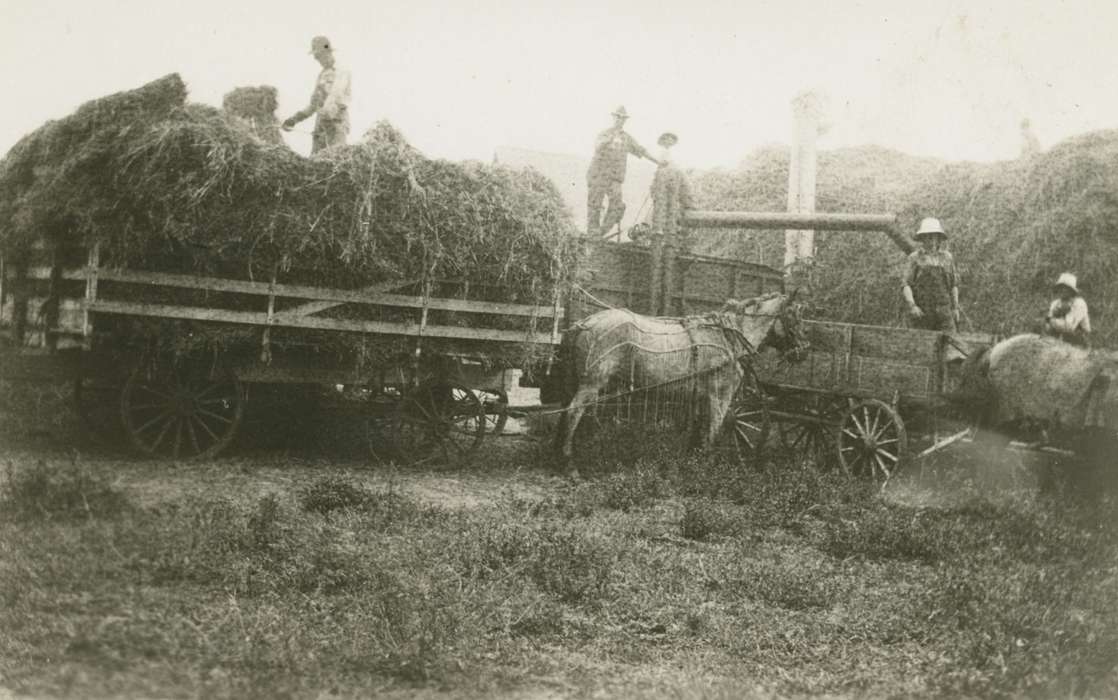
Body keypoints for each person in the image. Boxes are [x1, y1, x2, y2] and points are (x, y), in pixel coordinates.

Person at [586, 106, 662, 237]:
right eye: (618, 117)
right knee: (595, 204)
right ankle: (592, 232)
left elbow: (641, 150)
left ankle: (601, 232)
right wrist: (610, 139)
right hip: (598, 174)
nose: (620, 120)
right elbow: (597, 146)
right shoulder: (605, 134)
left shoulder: (626, 138)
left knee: (617, 206)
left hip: (615, 178)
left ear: (625, 121)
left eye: (622, 118)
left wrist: (658, 162)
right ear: (613, 117)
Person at [282, 35, 352, 154]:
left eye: (319, 56)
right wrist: (294, 119)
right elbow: (314, 104)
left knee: (335, 159)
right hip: (321, 126)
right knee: (315, 163)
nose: (317, 60)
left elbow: (336, 95)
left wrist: (325, 113)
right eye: (316, 57)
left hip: (336, 125)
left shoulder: (342, 72)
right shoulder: (321, 76)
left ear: (327, 52)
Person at [902, 217, 960, 332]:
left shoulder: (947, 258)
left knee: (951, 343)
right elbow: (906, 285)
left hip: (944, 313)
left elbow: (953, 285)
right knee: (924, 345)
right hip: (923, 314)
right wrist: (913, 306)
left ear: (939, 238)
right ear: (922, 239)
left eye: (934, 236)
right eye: (928, 236)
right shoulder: (915, 258)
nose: (932, 240)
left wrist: (955, 308)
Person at [648, 132, 693, 243]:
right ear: (663, 141)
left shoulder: (674, 154)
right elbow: (660, 168)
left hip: (673, 181)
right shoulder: (661, 153)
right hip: (665, 181)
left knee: (672, 206)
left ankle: (687, 206)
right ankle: (661, 233)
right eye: (667, 139)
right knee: (663, 207)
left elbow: (679, 171)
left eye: (671, 140)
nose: (669, 141)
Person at [1045, 272, 1091, 347]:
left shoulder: (1079, 304)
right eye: (1061, 287)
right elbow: (1048, 328)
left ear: (1071, 290)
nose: (1062, 290)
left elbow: (1069, 327)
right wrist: (1052, 318)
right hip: (1058, 341)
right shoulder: (1055, 303)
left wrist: (1051, 320)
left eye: (1066, 288)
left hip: (1078, 343)